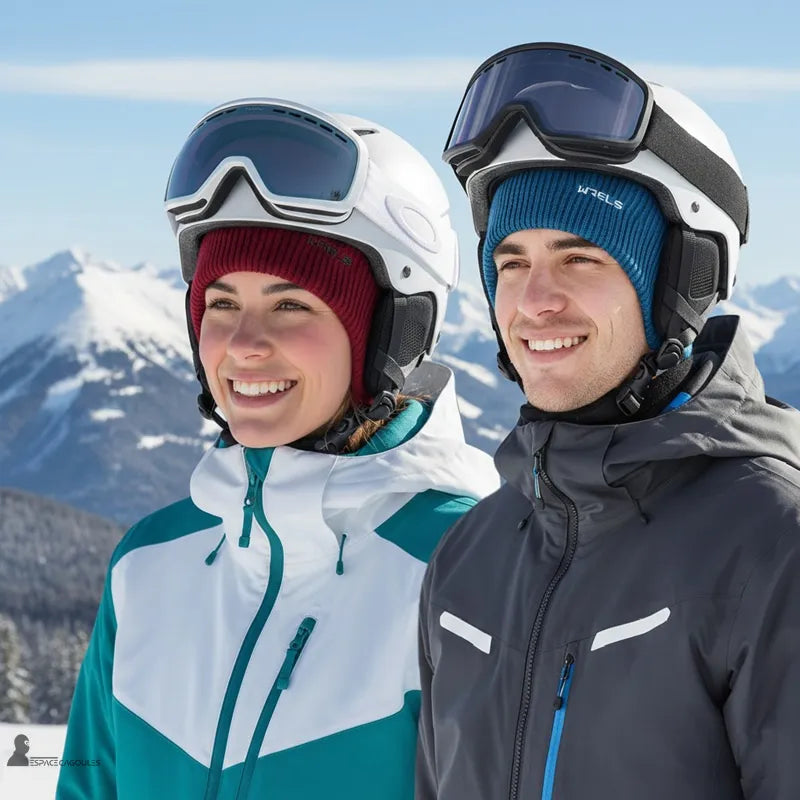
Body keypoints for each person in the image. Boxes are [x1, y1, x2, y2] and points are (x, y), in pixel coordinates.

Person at [56, 98, 498, 799]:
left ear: (390, 334)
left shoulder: (471, 567)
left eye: (291, 305)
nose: (242, 344)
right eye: (221, 303)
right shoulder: (148, 565)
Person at [417, 42, 800, 800]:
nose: (534, 302)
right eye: (512, 263)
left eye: (581, 258)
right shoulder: (469, 555)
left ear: (679, 282)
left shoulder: (770, 543)